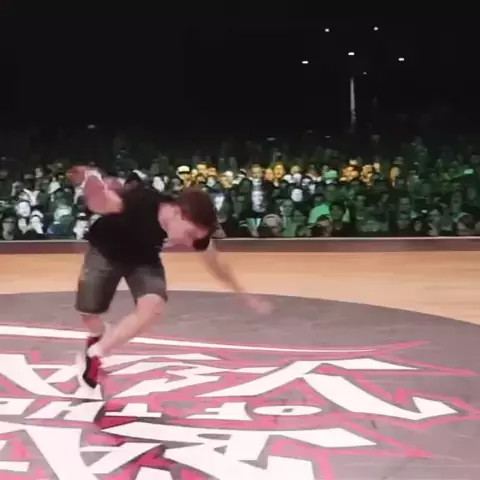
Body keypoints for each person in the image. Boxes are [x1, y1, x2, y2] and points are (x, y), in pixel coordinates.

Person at [67, 166, 272, 390]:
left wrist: (245, 296)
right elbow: (103, 202)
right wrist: (92, 180)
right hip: (105, 250)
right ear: (178, 212)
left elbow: (217, 264)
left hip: (143, 257)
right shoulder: (142, 201)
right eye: (190, 234)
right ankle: (99, 335)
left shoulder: (191, 229)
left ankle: (95, 354)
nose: (189, 243)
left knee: (153, 306)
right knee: (88, 314)